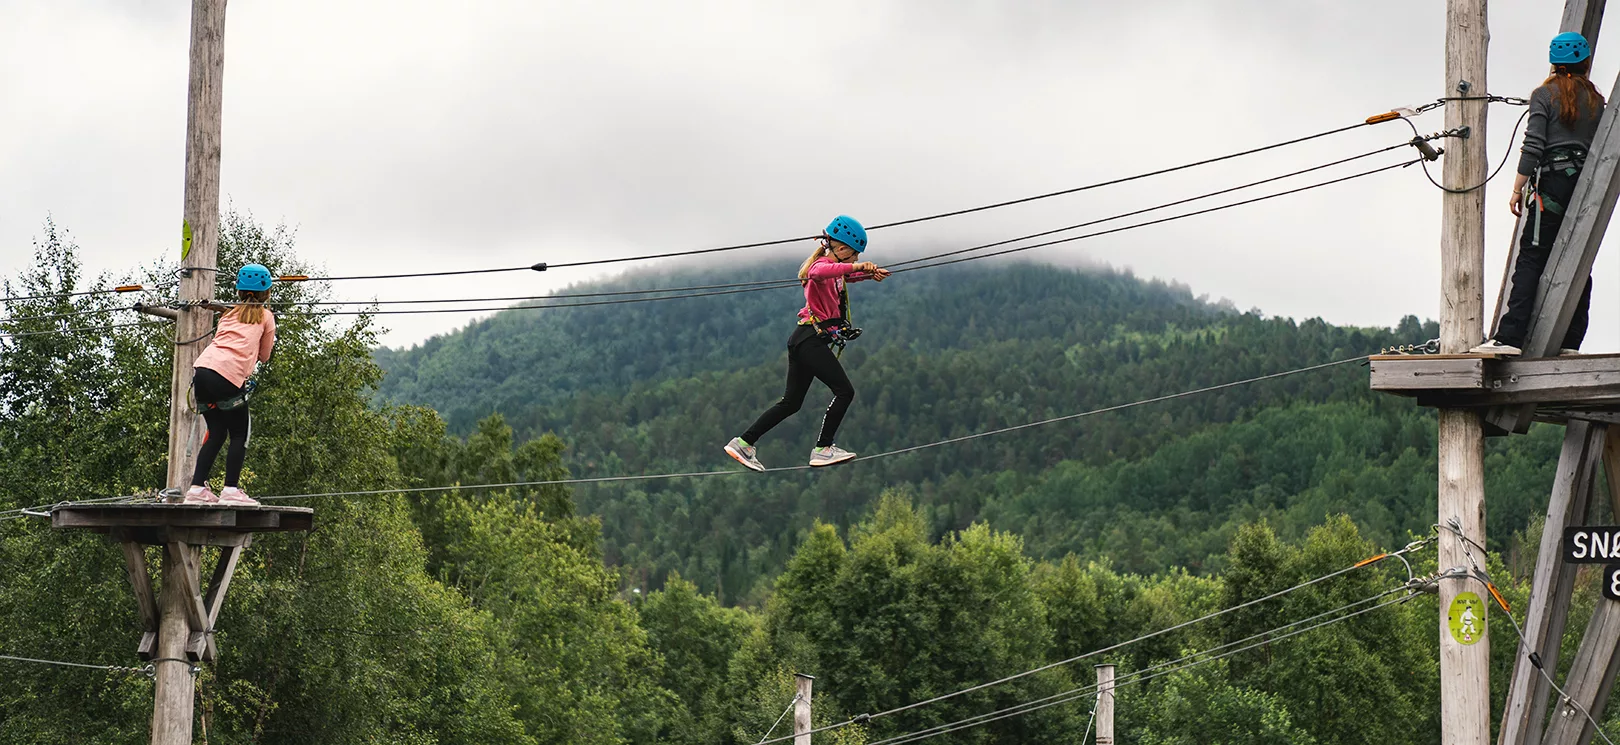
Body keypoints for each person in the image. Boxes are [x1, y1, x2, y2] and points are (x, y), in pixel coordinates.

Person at [1474, 31, 1605, 356]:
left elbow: (1533, 147)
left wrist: (1517, 189)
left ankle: (1510, 338)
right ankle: (1570, 341)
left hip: (1551, 185)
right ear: (1585, 63)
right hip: (1584, 186)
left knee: (1532, 256)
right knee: (1578, 258)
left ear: (1554, 63)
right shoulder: (1596, 101)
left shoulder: (1544, 95)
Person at [724, 216, 890, 471]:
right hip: (809, 340)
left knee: (791, 403)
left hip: (803, 340)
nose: (855, 260)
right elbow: (820, 272)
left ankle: (744, 443)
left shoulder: (835, 272)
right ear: (842, 249)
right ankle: (823, 449)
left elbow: (843, 277)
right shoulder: (820, 267)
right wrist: (857, 268)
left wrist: (868, 274)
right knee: (844, 391)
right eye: (854, 255)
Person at [183, 263, 276, 505]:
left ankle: (196, 489)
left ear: (238, 291)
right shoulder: (266, 317)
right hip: (227, 376)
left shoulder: (228, 314)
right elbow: (265, 356)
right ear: (266, 293)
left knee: (216, 431)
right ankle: (231, 490)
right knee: (238, 432)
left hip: (202, 373)